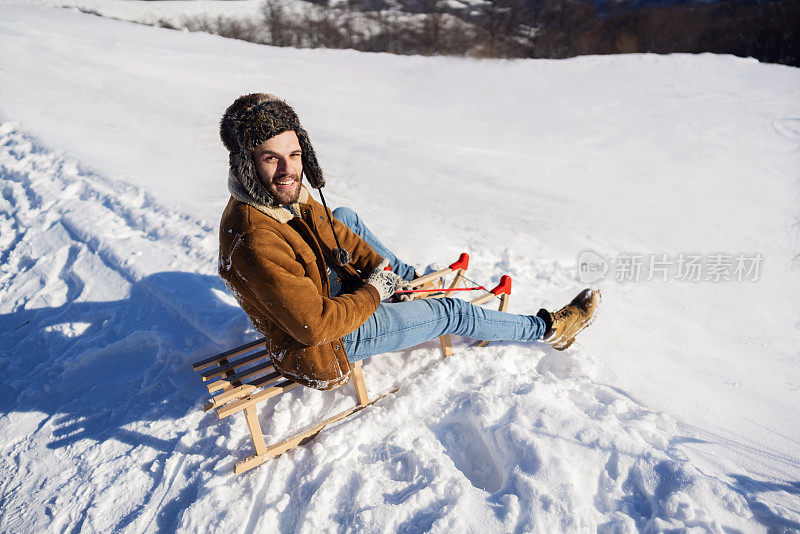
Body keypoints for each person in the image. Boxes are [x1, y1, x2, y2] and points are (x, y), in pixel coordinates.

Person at [217, 93, 600, 390]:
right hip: (324, 343)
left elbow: (335, 232)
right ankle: (549, 329)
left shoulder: (280, 194)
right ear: (247, 165)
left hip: (320, 292)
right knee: (449, 313)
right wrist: (374, 293)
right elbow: (315, 327)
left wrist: (383, 274)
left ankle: (410, 284)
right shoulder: (255, 239)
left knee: (342, 216)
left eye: (294, 154)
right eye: (271, 158)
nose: (288, 169)